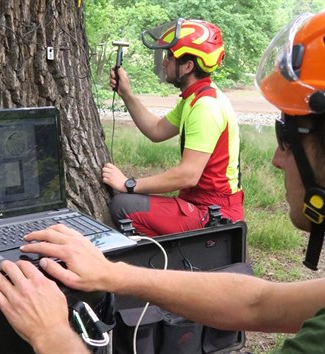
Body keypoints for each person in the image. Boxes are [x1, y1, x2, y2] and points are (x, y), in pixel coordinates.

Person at [0, 0, 325, 352]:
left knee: (123, 205)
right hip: (197, 206)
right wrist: (115, 273)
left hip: (209, 210)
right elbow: (258, 301)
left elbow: (188, 172)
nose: (275, 159)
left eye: (285, 135)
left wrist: (53, 336)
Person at [102, 18, 244, 236]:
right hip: (201, 204)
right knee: (128, 203)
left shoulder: (205, 106)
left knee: (124, 205)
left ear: (187, 66)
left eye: (170, 56)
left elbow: (188, 175)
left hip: (212, 214)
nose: (164, 62)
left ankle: (175, 263)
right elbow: (156, 130)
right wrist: (126, 94)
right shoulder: (195, 97)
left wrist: (129, 184)